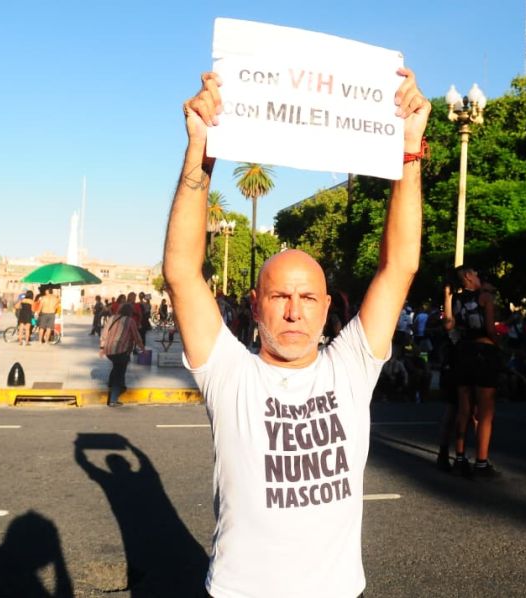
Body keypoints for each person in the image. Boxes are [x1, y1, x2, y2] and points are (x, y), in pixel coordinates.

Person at [164, 68, 429, 597]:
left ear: (327, 308)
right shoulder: (229, 373)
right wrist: (201, 151)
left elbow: (399, 265)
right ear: (255, 305)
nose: (293, 313)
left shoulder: (351, 367)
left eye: (307, 298)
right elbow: (181, 272)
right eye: (279, 297)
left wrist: (409, 150)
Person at [443, 266, 502, 477]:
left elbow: (449, 325)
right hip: (484, 353)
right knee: (485, 412)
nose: (478, 277)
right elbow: (490, 329)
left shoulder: (457, 300)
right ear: (468, 276)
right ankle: (481, 462)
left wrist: (447, 297)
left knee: (464, 409)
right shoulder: (485, 298)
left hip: (463, 353)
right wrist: (499, 344)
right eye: (476, 274)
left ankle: (459, 458)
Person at [99, 301, 144, 406]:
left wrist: (102, 348)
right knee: (119, 373)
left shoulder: (112, 318)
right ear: (130, 312)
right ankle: (113, 400)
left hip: (109, 350)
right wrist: (143, 348)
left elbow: (104, 333)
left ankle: (112, 385)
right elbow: (136, 336)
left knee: (117, 367)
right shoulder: (130, 321)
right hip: (121, 351)